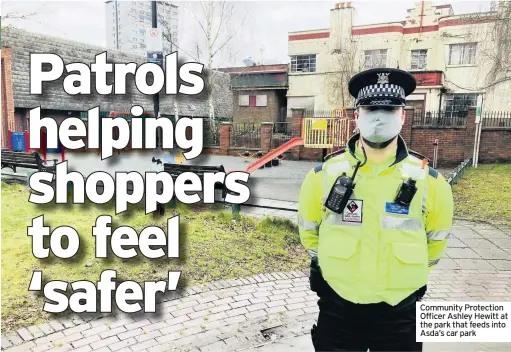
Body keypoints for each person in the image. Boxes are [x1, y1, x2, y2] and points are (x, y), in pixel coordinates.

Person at [297, 67, 454, 352]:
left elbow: (435, 244)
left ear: (403, 116)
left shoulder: (430, 182)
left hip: (399, 311)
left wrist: (402, 276)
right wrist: (335, 273)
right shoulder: (322, 176)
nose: (379, 117)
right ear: (356, 116)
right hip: (338, 308)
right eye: (371, 108)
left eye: (390, 109)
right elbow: (310, 236)